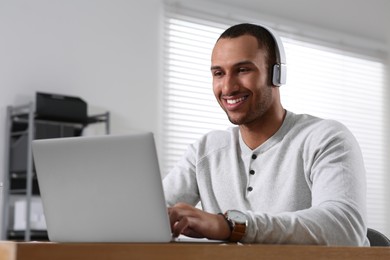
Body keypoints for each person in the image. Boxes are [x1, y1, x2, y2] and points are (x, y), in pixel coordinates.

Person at [163, 23, 369, 246]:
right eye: (219, 73)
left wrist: (231, 225)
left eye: (243, 70)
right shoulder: (204, 151)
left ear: (277, 74)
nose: (228, 87)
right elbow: (150, 216)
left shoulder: (326, 138)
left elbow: (345, 227)